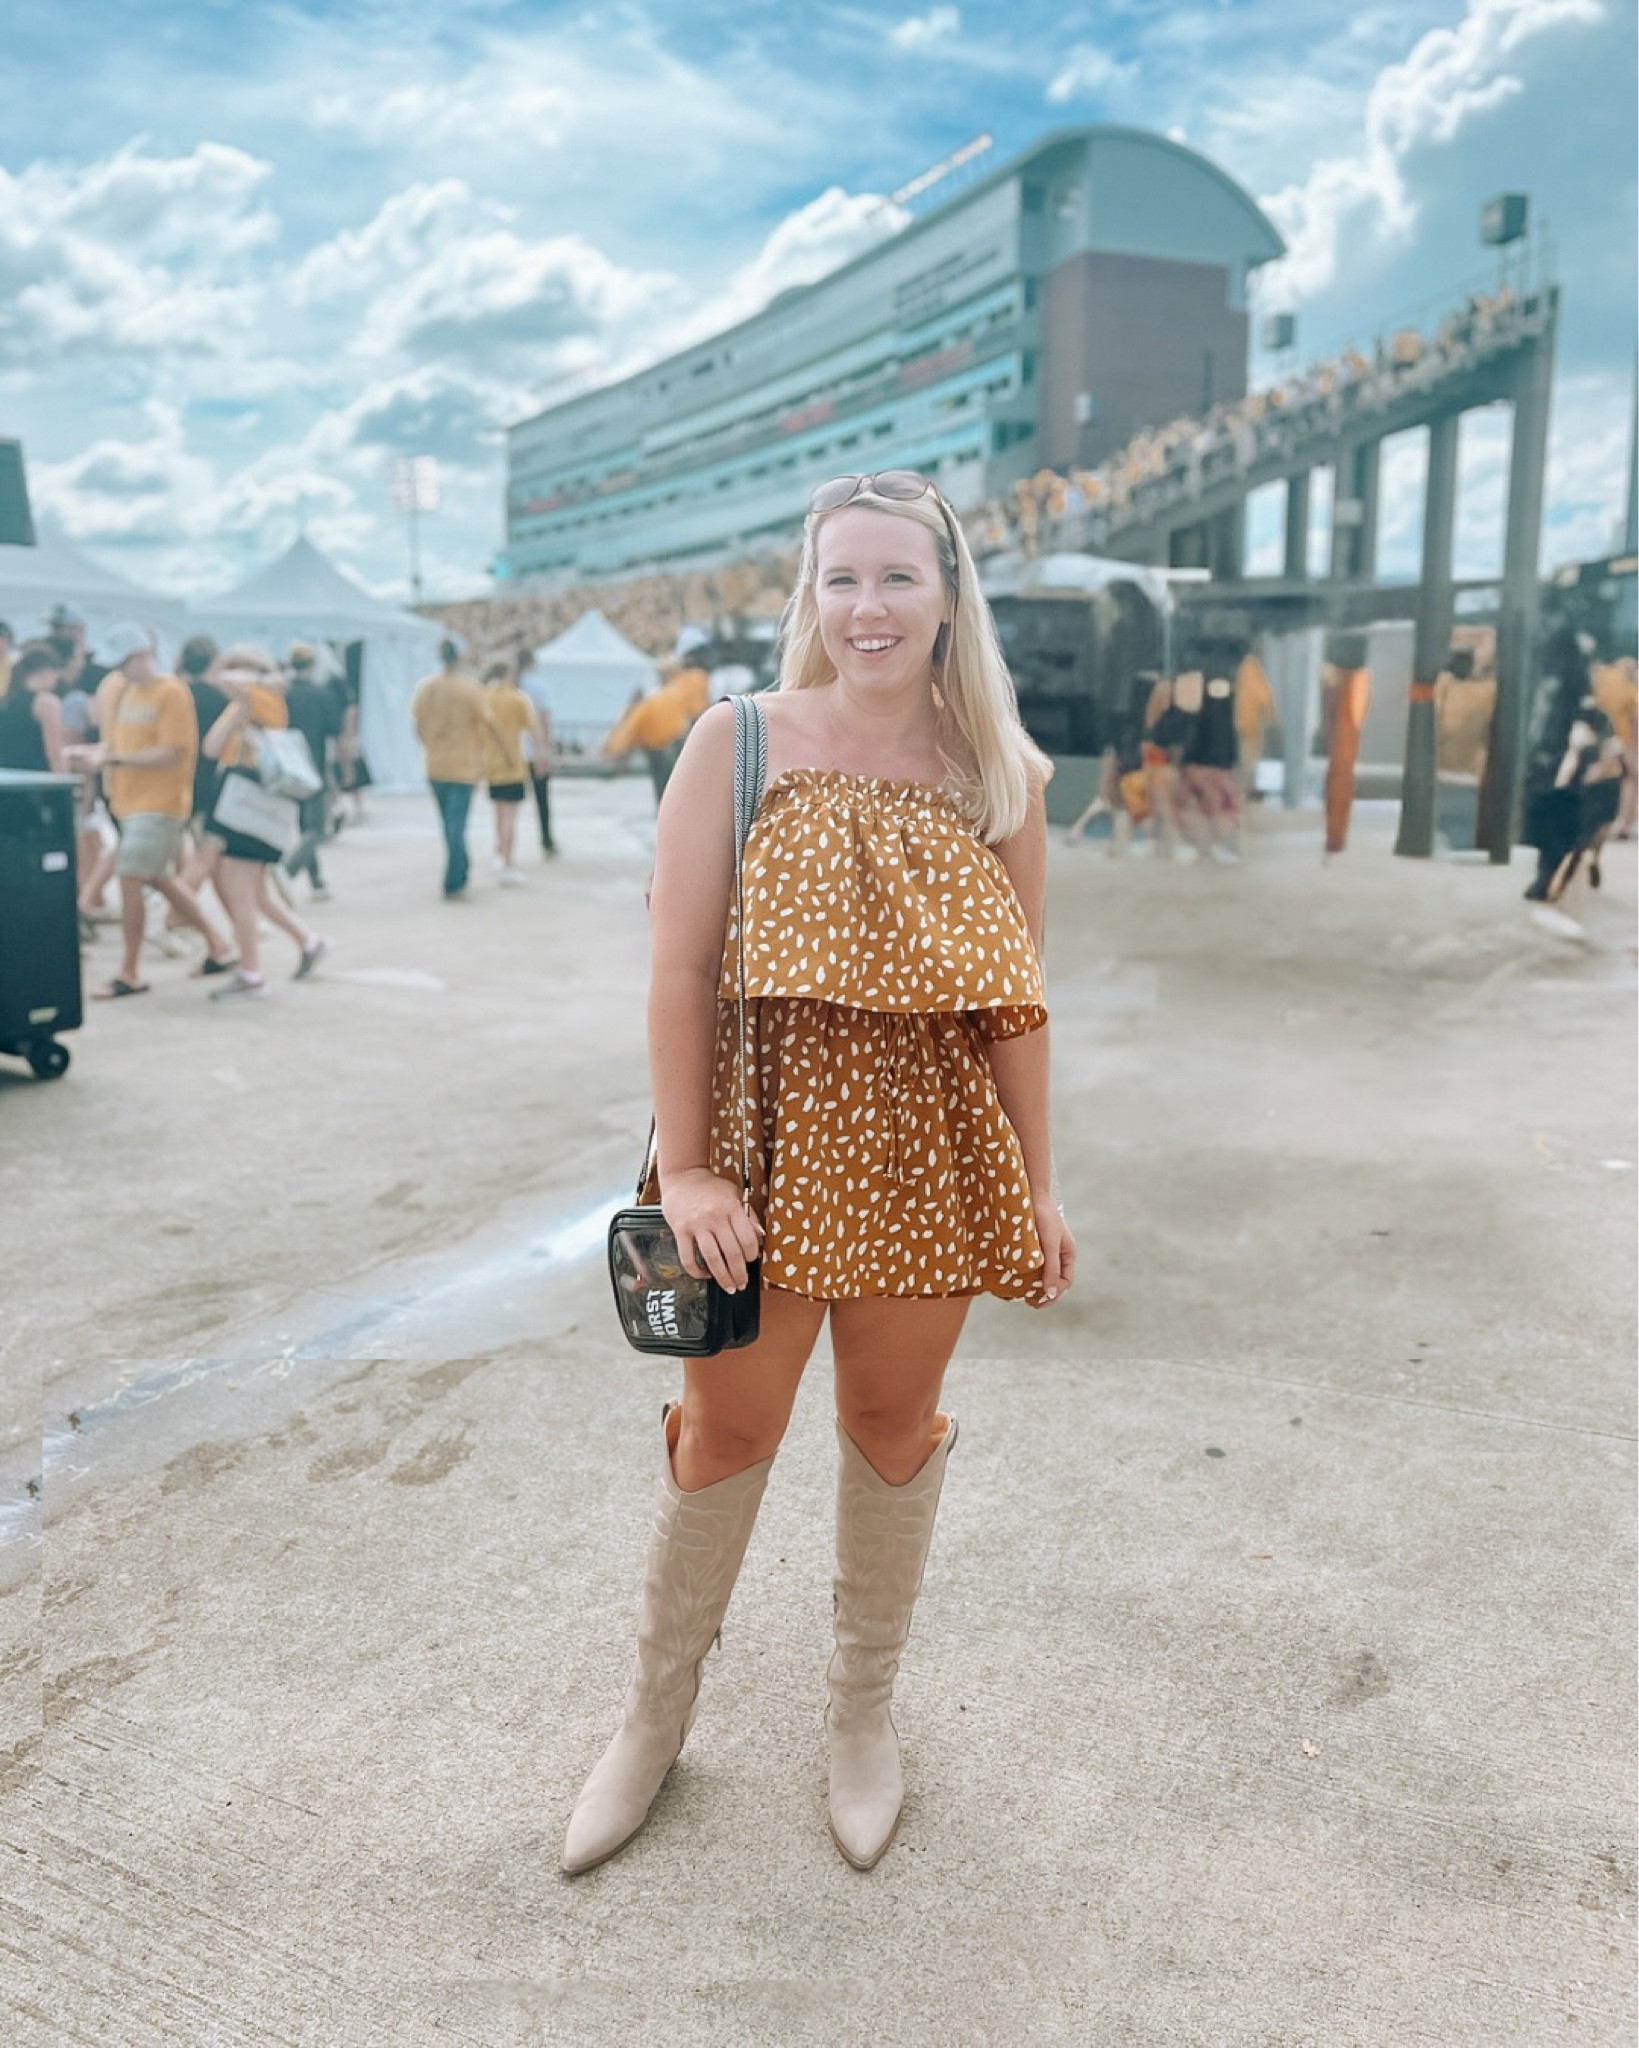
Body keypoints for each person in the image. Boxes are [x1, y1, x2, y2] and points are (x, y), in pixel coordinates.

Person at [562, 469, 1076, 1878]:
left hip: (926, 1153)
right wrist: (692, 1171)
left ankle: (860, 1719)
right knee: (723, 1436)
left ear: (948, 593)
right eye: (839, 579)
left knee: (890, 1427)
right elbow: (674, 972)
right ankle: (650, 1725)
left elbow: (1013, 1003)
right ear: (809, 596)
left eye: (897, 577)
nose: (867, 607)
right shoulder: (734, 744)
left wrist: (1032, 1187)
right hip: (760, 1153)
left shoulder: (998, 776)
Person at [68, 624, 237, 999]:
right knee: (158, 877)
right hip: (129, 800)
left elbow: (175, 752)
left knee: (131, 877)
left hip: (162, 802)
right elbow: (116, 742)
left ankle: (129, 971)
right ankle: (218, 945)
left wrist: (113, 760)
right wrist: (98, 758)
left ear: (143, 656)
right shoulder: (120, 689)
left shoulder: (171, 692)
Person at [199, 646, 327, 999]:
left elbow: (212, 745)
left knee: (241, 894)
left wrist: (241, 678)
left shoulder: (257, 700)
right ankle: (308, 941)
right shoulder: (261, 701)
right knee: (257, 895)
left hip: (246, 809)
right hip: (256, 808)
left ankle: (250, 971)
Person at [411, 638, 491, 899]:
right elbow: (486, 724)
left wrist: (431, 745)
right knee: (456, 824)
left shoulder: (426, 689)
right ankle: (454, 877)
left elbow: (417, 726)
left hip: (436, 764)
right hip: (463, 765)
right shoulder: (470, 689)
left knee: (448, 823)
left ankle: (460, 868)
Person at [281, 644, 342, 900]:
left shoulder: (283, 695)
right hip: (314, 767)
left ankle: (316, 880)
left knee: (303, 826)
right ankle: (289, 870)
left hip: (286, 769)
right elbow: (335, 733)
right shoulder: (323, 695)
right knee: (316, 828)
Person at [603, 659, 710, 804]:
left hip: (661, 745)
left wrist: (615, 751)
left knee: (664, 783)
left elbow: (625, 734)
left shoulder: (653, 700)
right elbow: (695, 710)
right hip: (672, 741)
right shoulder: (678, 690)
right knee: (673, 782)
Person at [479, 657, 539, 885]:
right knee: (510, 818)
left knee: (498, 814)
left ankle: (498, 853)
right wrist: (541, 755)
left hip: (492, 765)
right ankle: (508, 861)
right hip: (513, 765)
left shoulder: (484, 697)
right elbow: (531, 730)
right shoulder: (517, 699)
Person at [0, 642, 69, 773]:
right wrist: (65, 783)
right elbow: (54, 753)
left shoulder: (5, 702)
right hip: (38, 785)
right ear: (46, 671)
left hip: (7, 783)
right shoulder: (46, 703)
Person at [516, 648, 558, 855]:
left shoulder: (512, 685)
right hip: (535, 750)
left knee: (509, 805)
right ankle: (546, 839)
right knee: (542, 800)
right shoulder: (539, 686)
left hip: (514, 751)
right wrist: (545, 750)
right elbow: (544, 719)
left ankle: (507, 847)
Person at [1233, 646, 1275, 802]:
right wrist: (1271, 717)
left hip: (1238, 725)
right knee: (1250, 760)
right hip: (1253, 726)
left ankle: (1241, 791)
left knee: (1243, 760)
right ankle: (1246, 791)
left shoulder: (1238, 673)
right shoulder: (1255, 673)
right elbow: (1265, 698)